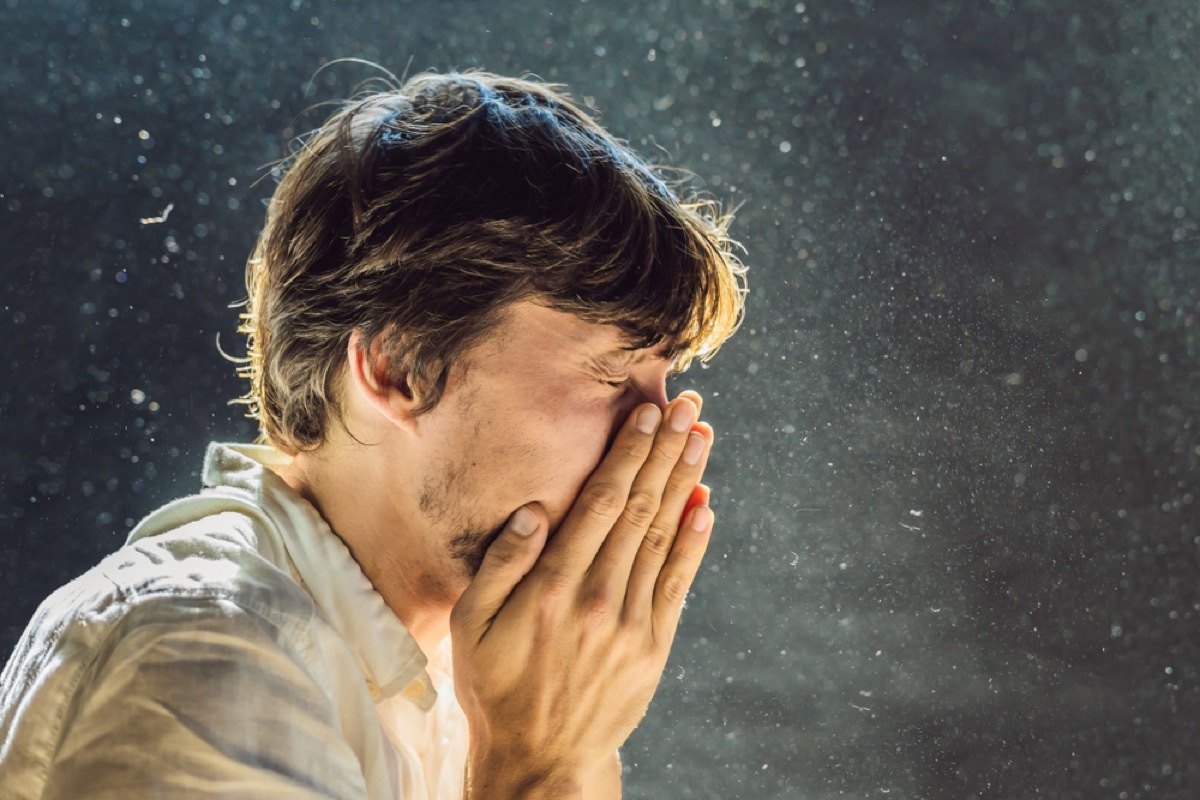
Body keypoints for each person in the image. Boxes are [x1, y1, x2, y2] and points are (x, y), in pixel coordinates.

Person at [0, 70, 746, 799]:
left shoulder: (464, 696)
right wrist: (539, 770)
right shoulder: (204, 661)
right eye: (613, 377)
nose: (659, 444)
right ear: (401, 369)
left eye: (665, 383)